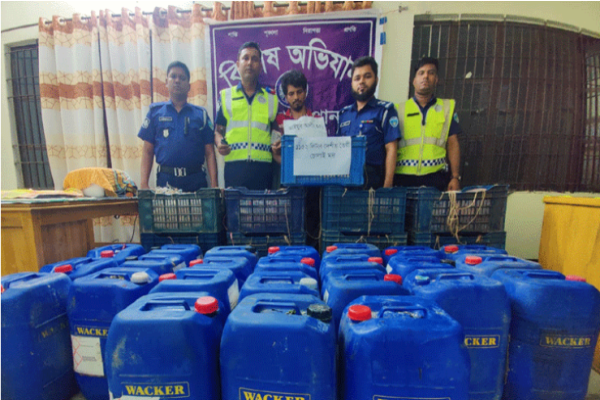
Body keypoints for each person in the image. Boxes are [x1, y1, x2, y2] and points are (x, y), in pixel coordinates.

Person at [138, 61, 217, 191]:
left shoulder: (200, 115)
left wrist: (214, 185)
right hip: (165, 181)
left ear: (189, 86)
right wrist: (143, 184)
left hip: (195, 182)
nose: (177, 81)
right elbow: (147, 151)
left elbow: (209, 152)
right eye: (173, 76)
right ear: (166, 82)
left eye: (182, 78)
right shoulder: (155, 113)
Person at [214, 42, 279, 190]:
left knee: (264, 206)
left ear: (260, 66)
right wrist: (219, 143)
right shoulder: (226, 96)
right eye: (246, 58)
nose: (250, 63)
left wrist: (277, 144)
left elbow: (276, 132)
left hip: (263, 170)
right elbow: (218, 131)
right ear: (238, 64)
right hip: (234, 170)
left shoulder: (271, 99)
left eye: (254, 59)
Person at [394, 57, 462, 191]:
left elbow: (453, 143)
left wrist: (455, 177)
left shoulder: (446, 108)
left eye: (431, 73)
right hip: (403, 179)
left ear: (436, 79)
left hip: (436, 178)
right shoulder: (398, 110)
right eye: (421, 73)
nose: (425, 76)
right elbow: (391, 147)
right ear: (414, 80)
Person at [337, 56, 400, 189]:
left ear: (376, 79)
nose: (361, 81)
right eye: (357, 78)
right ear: (352, 83)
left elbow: (391, 148)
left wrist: (387, 186)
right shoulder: (344, 114)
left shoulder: (385, 111)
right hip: (345, 182)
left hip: (373, 181)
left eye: (367, 76)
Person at [275, 69, 320, 249]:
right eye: (291, 93)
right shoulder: (279, 120)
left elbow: (320, 154)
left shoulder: (316, 119)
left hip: (312, 182)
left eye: (299, 92)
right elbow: (275, 154)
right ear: (285, 97)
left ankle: (312, 256)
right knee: (289, 222)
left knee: (312, 221)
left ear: (305, 92)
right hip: (289, 181)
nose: (296, 97)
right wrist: (290, 164)